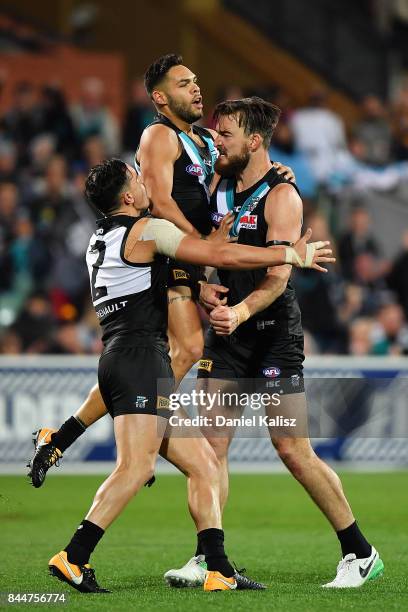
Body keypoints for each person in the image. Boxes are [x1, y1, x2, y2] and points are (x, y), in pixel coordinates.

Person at [46, 158, 331, 593]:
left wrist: (195, 280)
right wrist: (289, 253)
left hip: (123, 357)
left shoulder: (100, 239)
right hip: (142, 358)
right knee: (135, 468)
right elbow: (220, 255)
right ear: (127, 197)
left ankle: (217, 568)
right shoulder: (148, 230)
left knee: (202, 464)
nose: (146, 186)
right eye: (138, 180)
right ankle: (73, 556)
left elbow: (153, 275)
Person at [27, 54, 294, 486]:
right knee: (185, 348)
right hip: (163, 253)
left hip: (187, 257)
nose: (196, 88)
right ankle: (137, 432)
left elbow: (244, 160)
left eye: (195, 80)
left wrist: (274, 172)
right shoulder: (158, 136)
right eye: (184, 83)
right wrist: (204, 250)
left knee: (176, 353)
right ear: (160, 97)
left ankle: (65, 434)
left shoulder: (205, 140)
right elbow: (162, 203)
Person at [165, 97, 383, 589]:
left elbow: (280, 274)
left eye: (225, 134)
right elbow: (204, 249)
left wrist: (239, 310)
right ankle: (209, 558)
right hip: (227, 337)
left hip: (271, 336)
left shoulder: (282, 196)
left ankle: (360, 552)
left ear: (255, 141)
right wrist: (202, 287)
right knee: (209, 448)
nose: (215, 140)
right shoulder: (220, 185)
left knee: (291, 447)